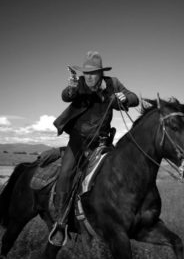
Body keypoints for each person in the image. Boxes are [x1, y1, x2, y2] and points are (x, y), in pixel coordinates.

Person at [49, 51, 139, 246]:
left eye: (93, 73)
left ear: (100, 73)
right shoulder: (79, 84)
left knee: (120, 173)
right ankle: (61, 223)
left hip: (103, 142)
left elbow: (134, 99)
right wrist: (72, 87)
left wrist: (125, 98)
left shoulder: (112, 83)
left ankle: (120, 219)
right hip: (78, 141)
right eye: (86, 73)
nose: (89, 77)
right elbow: (66, 95)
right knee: (65, 174)